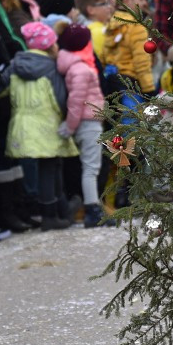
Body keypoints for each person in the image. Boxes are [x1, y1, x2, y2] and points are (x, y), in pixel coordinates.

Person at [6, 21, 78, 229]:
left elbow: (2, 88)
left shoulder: (15, 64)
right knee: (50, 168)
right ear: (50, 45)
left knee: (48, 166)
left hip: (23, 123)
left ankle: (59, 209)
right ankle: (50, 216)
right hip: (48, 123)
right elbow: (60, 97)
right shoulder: (51, 68)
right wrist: (68, 118)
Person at [55, 23, 105, 227]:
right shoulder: (82, 69)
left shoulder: (75, 66)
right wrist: (70, 126)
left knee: (89, 167)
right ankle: (92, 210)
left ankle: (93, 207)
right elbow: (76, 101)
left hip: (86, 121)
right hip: (88, 122)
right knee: (91, 168)